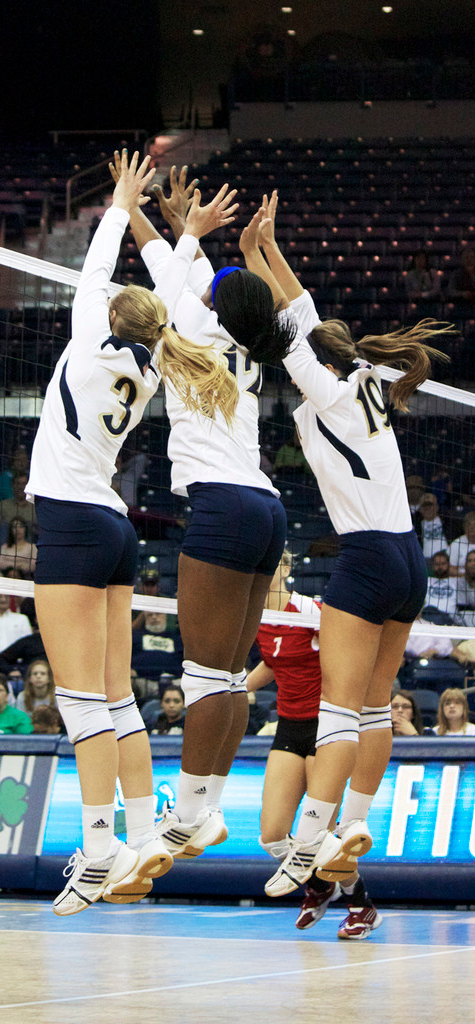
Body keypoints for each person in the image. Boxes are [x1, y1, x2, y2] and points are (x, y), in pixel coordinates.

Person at [27, 151, 239, 914]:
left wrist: (118, 205)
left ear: (114, 315)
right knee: (117, 699)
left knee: (84, 701)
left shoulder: (93, 343)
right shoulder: (152, 365)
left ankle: (100, 846)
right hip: (112, 529)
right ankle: (144, 831)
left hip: (73, 524)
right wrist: (185, 241)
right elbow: (162, 296)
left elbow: (96, 274)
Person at [245, 190, 452, 896]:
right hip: (408, 560)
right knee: (372, 706)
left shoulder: (326, 390)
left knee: (338, 710)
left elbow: (284, 328)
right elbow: (303, 312)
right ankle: (352, 822)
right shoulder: (363, 379)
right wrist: (266, 249)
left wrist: (248, 264)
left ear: (318, 360)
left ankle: (310, 842)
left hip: (366, 559)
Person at [118, 162, 293, 860]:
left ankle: (187, 815)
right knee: (225, 676)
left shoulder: (192, 329)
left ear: (218, 305)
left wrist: (171, 223)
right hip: (264, 511)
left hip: (224, 508)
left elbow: (175, 270)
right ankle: (211, 809)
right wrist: (158, 220)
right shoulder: (241, 334)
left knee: (204, 676)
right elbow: (178, 268)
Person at [247, 550, 381, 939]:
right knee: (272, 834)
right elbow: (273, 663)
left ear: (286, 569)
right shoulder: (257, 616)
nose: (264, 571)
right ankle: (321, 887)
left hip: (328, 729)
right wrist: (235, 688)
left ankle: (361, 905)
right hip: (289, 726)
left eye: (271, 564)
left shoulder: (311, 611)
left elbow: (350, 653)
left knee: (323, 835)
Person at [423, 550, 458, 617]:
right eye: (437, 564)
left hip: (449, 617)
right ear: (432, 566)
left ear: (449, 565)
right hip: (428, 615)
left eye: (443, 564)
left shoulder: (456, 581)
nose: (440, 567)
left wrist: (456, 573)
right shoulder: (427, 580)